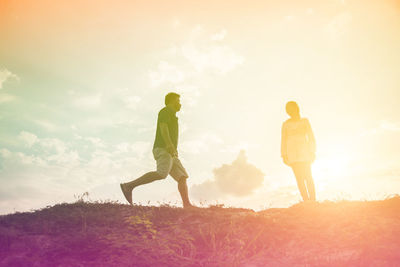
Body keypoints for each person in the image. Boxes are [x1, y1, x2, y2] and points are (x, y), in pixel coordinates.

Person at [120, 92, 194, 208]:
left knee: (182, 176)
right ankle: (128, 186)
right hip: (163, 148)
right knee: (161, 173)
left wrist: (174, 149)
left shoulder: (173, 115)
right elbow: (163, 127)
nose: (180, 104)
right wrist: (169, 145)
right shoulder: (165, 111)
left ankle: (187, 205)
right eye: (178, 101)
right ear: (171, 101)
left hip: (171, 152)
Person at [281, 101, 316, 202]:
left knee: (308, 176)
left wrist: (312, 151)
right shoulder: (285, 124)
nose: (290, 111)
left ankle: (313, 200)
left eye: (292, 108)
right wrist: (284, 155)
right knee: (299, 178)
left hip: (305, 152)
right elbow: (283, 139)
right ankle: (306, 200)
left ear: (297, 108)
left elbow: (311, 137)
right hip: (292, 153)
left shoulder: (305, 121)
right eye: (288, 110)